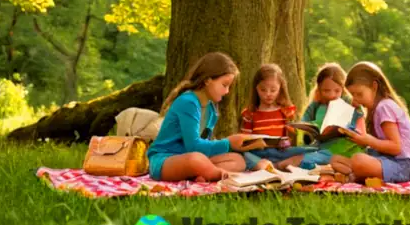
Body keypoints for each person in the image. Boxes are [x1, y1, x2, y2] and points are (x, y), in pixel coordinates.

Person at [147, 52, 252, 181]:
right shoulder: (188, 102)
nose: (227, 91)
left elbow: (204, 144)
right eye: (224, 85)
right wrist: (228, 143)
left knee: (238, 160)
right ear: (208, 80)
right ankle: (218, 174)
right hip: (165, 160)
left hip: (191, 157)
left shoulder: (211, 109)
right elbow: (194, 146)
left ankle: (204, 175)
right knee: (196, 159)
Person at [330, 62, 410, 184]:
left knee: (358, 160)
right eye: (352, 95)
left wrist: (367, 140)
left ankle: (356, 174)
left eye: (359, 94)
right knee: (335, 159)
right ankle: (357, 174)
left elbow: (396, 147)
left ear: (374, 87)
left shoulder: (384, 107)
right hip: (389, 159)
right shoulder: (374, 109)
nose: (356, 100)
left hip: (407, 165)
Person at [275, 63, 365, 171]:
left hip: (341, 149)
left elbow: (362, 134)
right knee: (285, 153)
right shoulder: (316, 106)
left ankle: (332, 166)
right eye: (326, 91)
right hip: (316, 146)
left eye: (337, 91)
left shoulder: (350, 103)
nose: (332, 95)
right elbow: (302, 127)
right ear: (319, 89)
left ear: (343, 88)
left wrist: (345, 131)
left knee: (291, 162)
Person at [240, 64, 317, 170]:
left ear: (280, 88)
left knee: (312, 149)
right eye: (263, 90)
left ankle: (276, 165)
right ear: (256, 88)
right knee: (244, 155)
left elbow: (292, 136)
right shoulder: (250, 113)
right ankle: (270, 165)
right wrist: (255, 144)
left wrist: (287, 141)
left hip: (282, 152)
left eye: (273, 90)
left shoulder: (286, 110)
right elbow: (244, 140)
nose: (268, 94)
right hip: (259, 153)